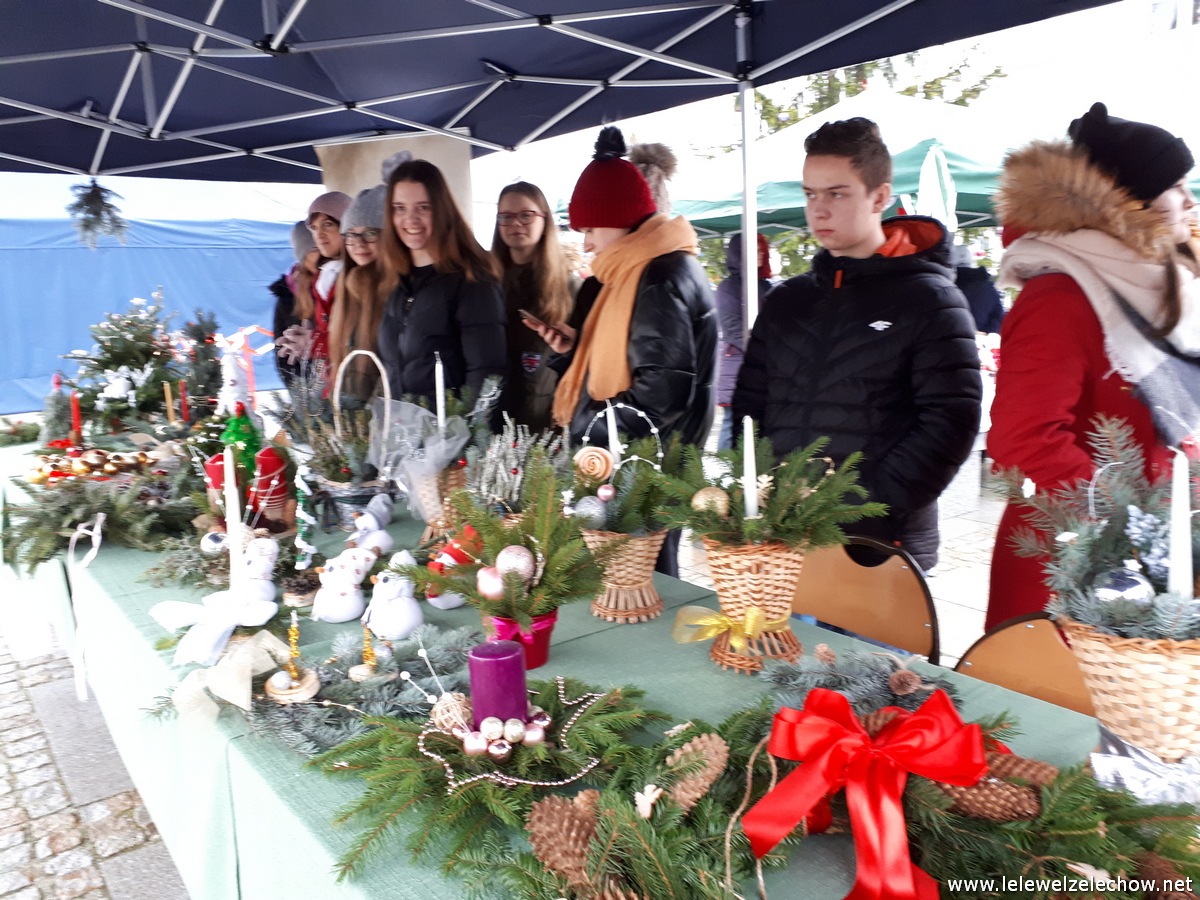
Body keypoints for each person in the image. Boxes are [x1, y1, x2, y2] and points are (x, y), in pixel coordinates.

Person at [732, 117, 981, 572]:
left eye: (837, 194)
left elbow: (951, 419)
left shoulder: (930, 299)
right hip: (781, 535)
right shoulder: (788, 301)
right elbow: (750, 408)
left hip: (878, 545)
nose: (819, 210)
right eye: (810, 194)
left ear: (879, 197)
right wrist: (754, 488)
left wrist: (873, 501)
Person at [986, 102, 1199, 629]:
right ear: (1130, 199)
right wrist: (1131, 527)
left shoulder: (1159, 284)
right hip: (1069, 570)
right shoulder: (1058, 298)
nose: (1189, 201)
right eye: (1176, 186)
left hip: (1152, 567)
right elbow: (1024, 442)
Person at [526, 126, 716, 576]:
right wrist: (575, 351)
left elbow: (660, 393)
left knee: (640, 586)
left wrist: (585, 424)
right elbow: (639, 361)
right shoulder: (639, 269)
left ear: (619, 217)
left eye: (591, 228)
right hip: (649, 462)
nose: (587, 243)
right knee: (636, 584)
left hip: (647, 468)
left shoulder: (657, 276)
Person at [376, 158, 506, 405]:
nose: (410, 219)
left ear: (442, 210)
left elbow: (486, 374)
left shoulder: (473, 281)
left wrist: (465, 426)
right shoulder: (396, 283)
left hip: (451, 427)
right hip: (402, 425)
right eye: (400, 208)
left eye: (423, 207)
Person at [492, 181, 579, 431]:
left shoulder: (571, 289)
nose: (516, 223)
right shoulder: (485, 284)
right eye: (506, 216)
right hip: (493, 419)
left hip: (549, 423)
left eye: (526, 215)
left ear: (544, 220)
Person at [276, 191, 351, 377]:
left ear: (346, 224)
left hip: (360, 381)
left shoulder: (361, 276)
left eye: (327, 224)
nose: (319, 235)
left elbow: (362, 341)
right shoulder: (323, 279)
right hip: (334, 382)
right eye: (314, 228)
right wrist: (305, 339)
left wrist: (314, 341)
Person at [328, 184, 392, 401]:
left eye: (370, 233)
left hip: (388, 411)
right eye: (351, 234)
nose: (358, 243)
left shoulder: (397, 290)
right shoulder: (347, 287)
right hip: (353, 409)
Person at [715, 233, 773, 449]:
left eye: (761, 250)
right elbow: (732, 328)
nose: (760, 255)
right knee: (732, 424)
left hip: (763, 368)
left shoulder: (765, 287)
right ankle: (724, 468)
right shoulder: (729, 288)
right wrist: (765, 349)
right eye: (754, 250)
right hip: (738, 366)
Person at [271, 221, 319, 388]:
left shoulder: (336, 284)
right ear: (303, 256)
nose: (323, 254)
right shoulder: (287, 296)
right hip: (307, 387)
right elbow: (282, 351)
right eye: (315, 249)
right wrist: (299, 390)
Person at [952, 245, 1006, 334]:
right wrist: (982, 333)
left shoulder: (941, 283)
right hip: (975, 340)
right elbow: (998, 320)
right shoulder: (990, 289)